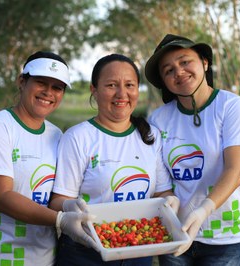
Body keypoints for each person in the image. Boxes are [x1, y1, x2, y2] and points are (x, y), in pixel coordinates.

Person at [0, 51, 97, 266]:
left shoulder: (57, 135)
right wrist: (61, 220)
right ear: (22, 82)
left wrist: (70, 207)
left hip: (46, 258)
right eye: (40, 82)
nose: (48, 92)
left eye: (57, 87)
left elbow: (56, 195)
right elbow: (0, 196)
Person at [49, 53, 178, 266]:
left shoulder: (152, 136)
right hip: (86, 250)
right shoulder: (78, 137)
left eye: (129, 85)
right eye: (111, 85)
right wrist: (71, 209)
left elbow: (162, 192)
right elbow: (58, 200)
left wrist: (170, 201)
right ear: (94, 90)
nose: (122, 94)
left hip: (138, 248)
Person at [144, 34, 240, 265]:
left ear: (204, 63)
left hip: (224, 237)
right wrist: (167, 199)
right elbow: (160, 177)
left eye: (185, 61)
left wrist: (202, 211)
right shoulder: (158, 119)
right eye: (168, 70)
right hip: (174, 232)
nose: (178, 71)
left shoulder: (231, 107)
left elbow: (235, 171)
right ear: (163, 81)